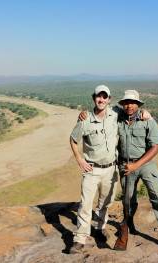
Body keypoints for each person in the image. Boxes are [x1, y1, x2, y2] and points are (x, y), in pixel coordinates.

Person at [113, 90, 158, 253]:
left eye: (133, 102)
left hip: (145, 163)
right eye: (126, 102)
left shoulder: (147, 120)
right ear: (123, 104)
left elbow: (156, 147)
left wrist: (136, 165)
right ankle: (127, 226)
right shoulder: (118, 118)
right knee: (128, 200)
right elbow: (103, 108)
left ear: (138, 104)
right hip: (125, 165)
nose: (129, 105)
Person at [69, 85, 119, 254]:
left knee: (106, 202)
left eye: (105, 97)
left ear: (109, 100)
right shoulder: (85, 120)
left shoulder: (115, 114)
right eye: (99, 97)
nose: (102, 100)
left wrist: (145, 114)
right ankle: (80, 239)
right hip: (92, 169)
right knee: (85, 204)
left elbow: (131, 110)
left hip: (111, 169)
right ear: (94, 98)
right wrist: (79, 159)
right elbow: (73, 139)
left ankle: (100, 227)